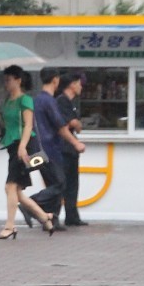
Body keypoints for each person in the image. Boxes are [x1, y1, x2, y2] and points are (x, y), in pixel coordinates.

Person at [0, 65, 58, 239]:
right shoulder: (8, 101)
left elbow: (28, 125)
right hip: (12, 146)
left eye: (9, 80)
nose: (6, 83)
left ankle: (10, 226)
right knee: (16, 192)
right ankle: (45, 217)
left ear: (18, 80)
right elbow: (7, 127)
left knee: (10, 187)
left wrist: (23, 146)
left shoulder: (26, 100)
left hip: (23, 147)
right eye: (5, 80)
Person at [27, 70, 75, 226]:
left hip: (36, 150)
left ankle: (51, 219)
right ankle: (29, 205)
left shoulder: (35, 100)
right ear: (56, 80)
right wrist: (76, 143)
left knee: (52, 185)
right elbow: (60, 126)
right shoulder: (49, 101)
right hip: (50, 150)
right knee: (60, 184)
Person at [55, 70, 87, 226]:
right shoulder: (61, 101)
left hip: (71, 150)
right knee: (61, 183)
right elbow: (69, 124)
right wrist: (74, 123)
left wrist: (74, 123)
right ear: (72, 85)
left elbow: (78, 126)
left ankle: (72, 216)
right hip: (62, 148)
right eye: (79, 84)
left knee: (73, 184)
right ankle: (51, 216)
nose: (81, 87)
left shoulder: (71, 103)